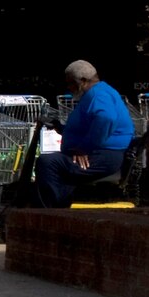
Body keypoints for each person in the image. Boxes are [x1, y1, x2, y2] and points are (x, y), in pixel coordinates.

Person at [37, 60, 136, 207]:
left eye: (71, 83)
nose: (69, 87)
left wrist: (85, 148)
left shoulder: (98, 94)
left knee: (48, 163)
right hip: (101, 154)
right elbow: (89, 125)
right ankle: (60, 205)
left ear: (83, 81)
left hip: (103, 156)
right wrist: (62, 128)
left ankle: (51, 210)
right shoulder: (99, 92)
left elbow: (106, 118)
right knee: (60, 166)